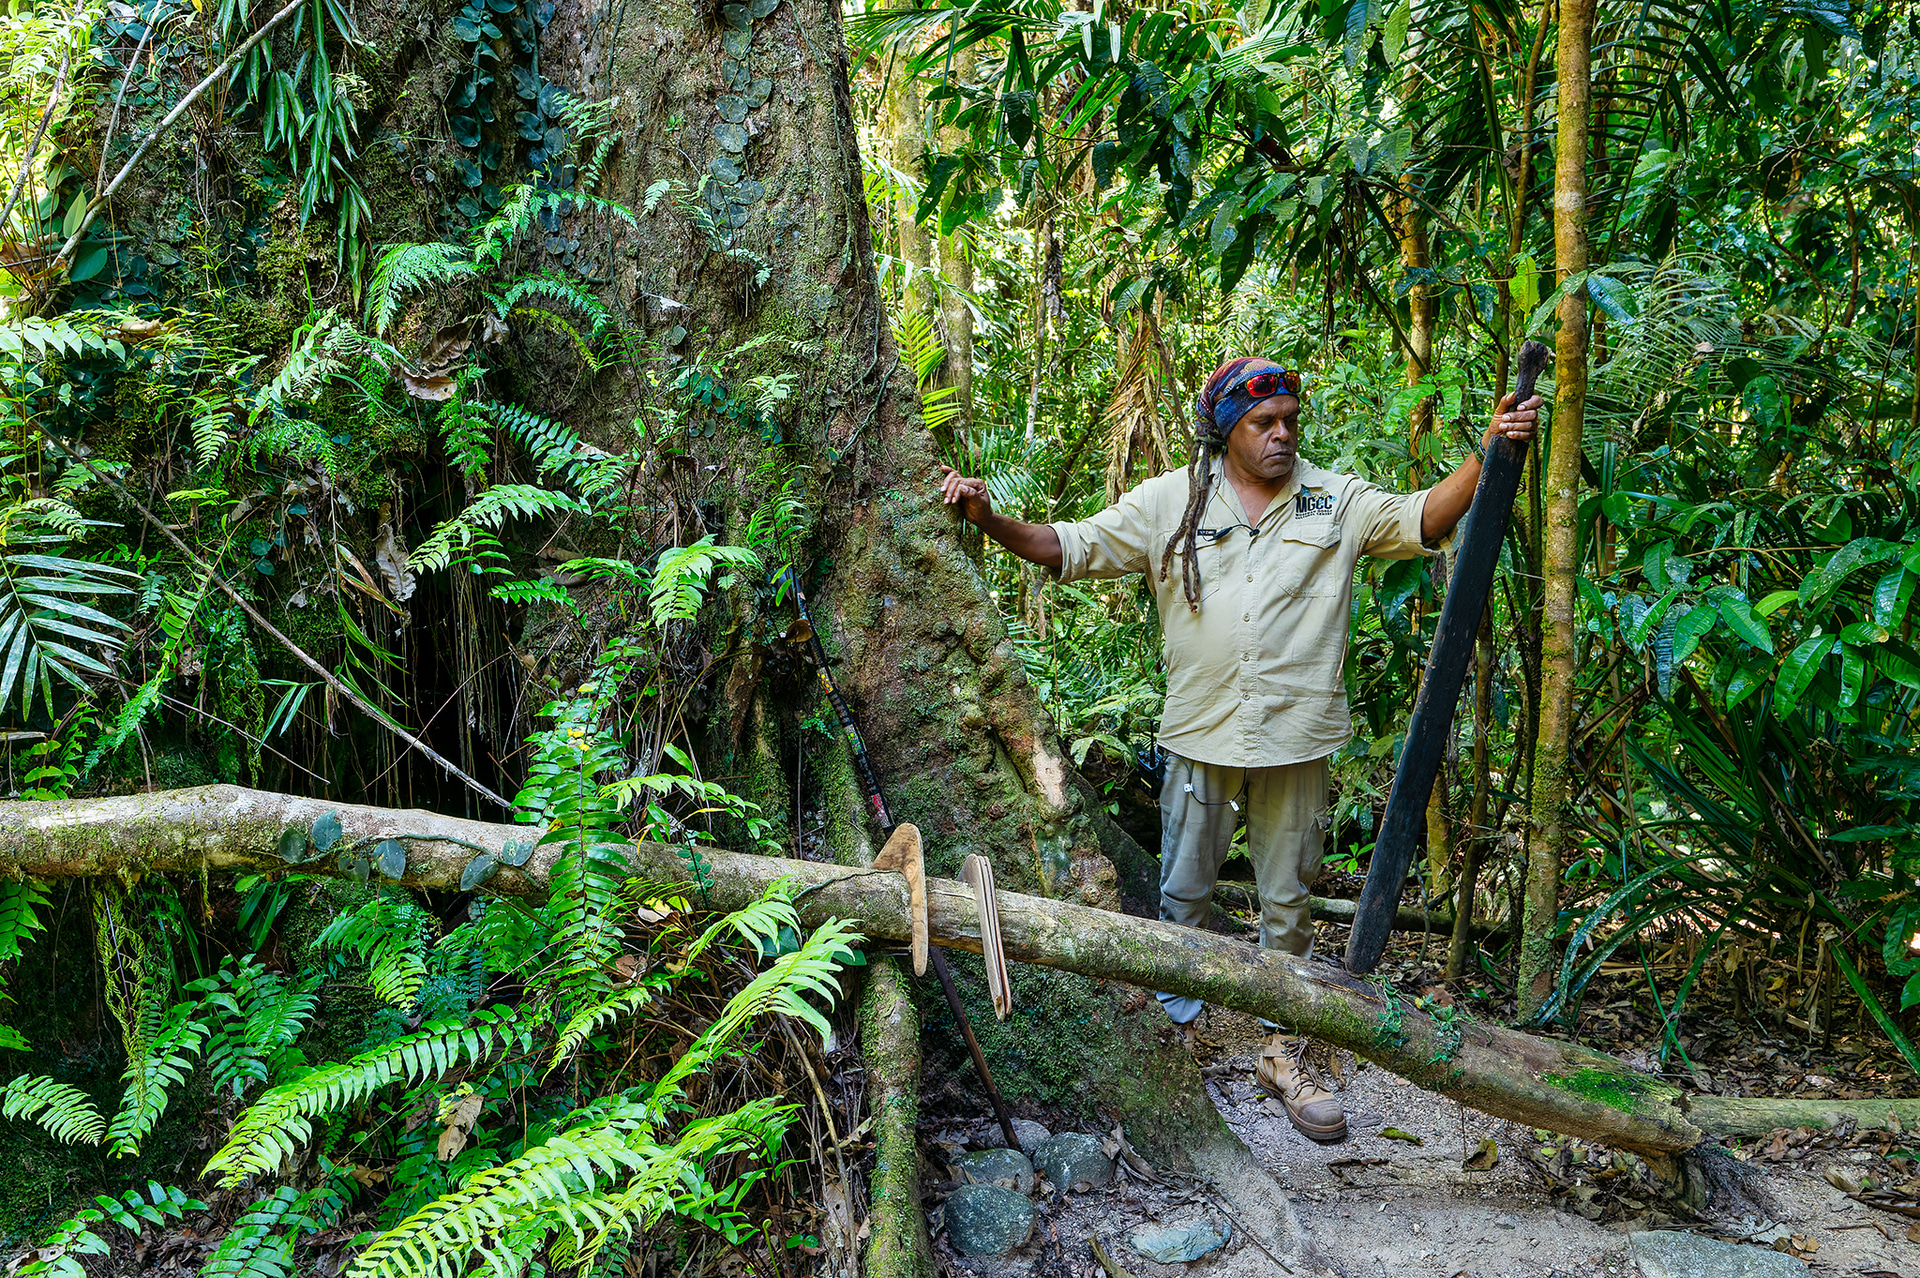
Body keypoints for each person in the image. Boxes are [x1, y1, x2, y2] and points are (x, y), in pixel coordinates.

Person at [937, 357, 1541, 1144]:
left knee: (1287, 901)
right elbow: (1069, 546)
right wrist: (988, 519)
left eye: (1291, 419)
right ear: (1226, 430)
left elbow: (1424, 517)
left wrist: (1490, 446)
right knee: (1184, 893)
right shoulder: (1172, 501)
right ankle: (1174, 1039)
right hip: (1201, 734)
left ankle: (1281, 1051)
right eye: (1265, 423)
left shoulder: (1335, 499)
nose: (1282, 433)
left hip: (1297, 738)